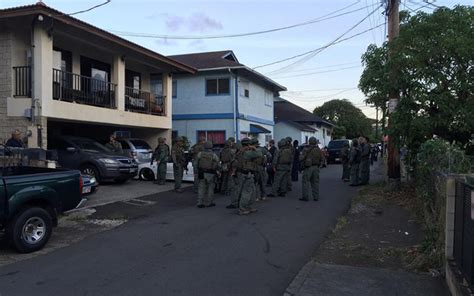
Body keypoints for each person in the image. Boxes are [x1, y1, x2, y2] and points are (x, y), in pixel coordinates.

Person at [233, 138, 260, 215]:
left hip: (242, 173)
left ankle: (247, 206)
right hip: (246, 174)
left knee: (250, 190)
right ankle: (242, 208)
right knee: (247, 191)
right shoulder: (247, 153)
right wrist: (254, 148)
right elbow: (259, 154)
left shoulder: (240, 152)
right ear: (248, 144)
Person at [196, 141, 220, 208]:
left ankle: (200, 203)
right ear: (211, 147)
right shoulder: (213, 154)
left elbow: (196, 163)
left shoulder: (200, 154)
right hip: (211, 173)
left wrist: (197, 170)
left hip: (202, 172)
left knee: (201, 188)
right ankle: (209, 203)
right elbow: (218, 164)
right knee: (210, 188)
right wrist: (218, 171)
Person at [299, 137, 321, 201]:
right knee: (315, 183)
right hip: (316, 167)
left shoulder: (306, 149)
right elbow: (321, 158)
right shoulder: (318, 149)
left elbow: (301, 158)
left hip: (308, 168)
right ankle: (316, 197)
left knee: (305, 182)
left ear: (309, 141)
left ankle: (305, 197)